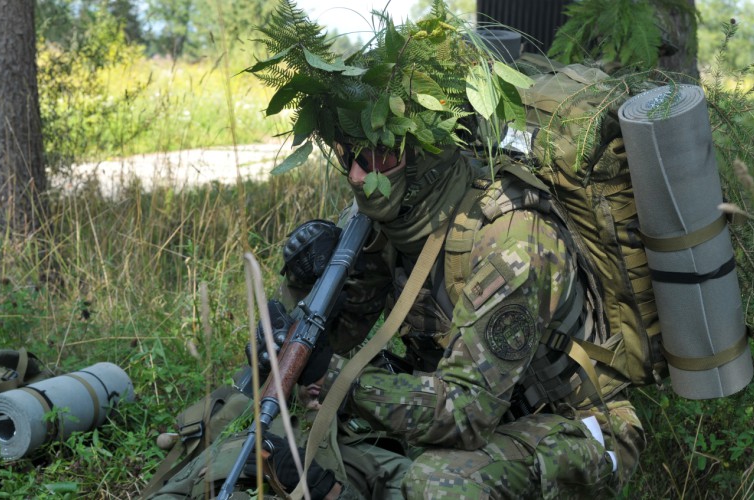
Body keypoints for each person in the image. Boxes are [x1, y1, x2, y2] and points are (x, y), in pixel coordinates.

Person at [248, 139, 647, 499]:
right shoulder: (394, 222)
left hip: (575, 426)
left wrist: (339, 383)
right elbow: (343, 334)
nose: (356, 173)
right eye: (348, 154)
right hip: (478, 420)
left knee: (437, 484)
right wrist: (302, 294)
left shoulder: (513, 245)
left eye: (378, 156)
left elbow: (467, 414)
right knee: (289, 448)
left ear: (424, 156)